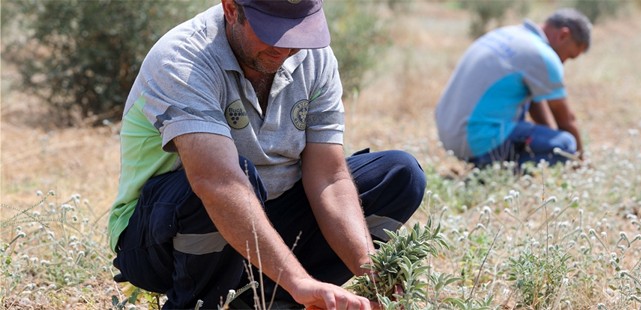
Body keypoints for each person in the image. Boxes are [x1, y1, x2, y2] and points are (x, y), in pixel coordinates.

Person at [107, 0, 426, 309]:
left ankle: (274, 299)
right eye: (272, 31)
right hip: (158, 239)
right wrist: (299, 279)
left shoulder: (316, 59)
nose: (285, 48)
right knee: (234, 179)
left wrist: (372, 274)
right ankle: (201, 302)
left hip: (264, 225)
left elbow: (329, 177)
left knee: (399, 174)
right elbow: (217, 183)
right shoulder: (182, 58)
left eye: (298, 31)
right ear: (231, 9)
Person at [434, 8, 592, 168]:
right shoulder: (542, 55)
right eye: (569, 56)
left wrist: (551, 134)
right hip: (477, 142)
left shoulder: (508, 34)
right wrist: (578, 161)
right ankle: (498, 171)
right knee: (566, 145)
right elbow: (566, 121)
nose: (564, 62)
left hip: (448, 135)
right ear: (563, 35)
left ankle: (491, 164)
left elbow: (536, 103)